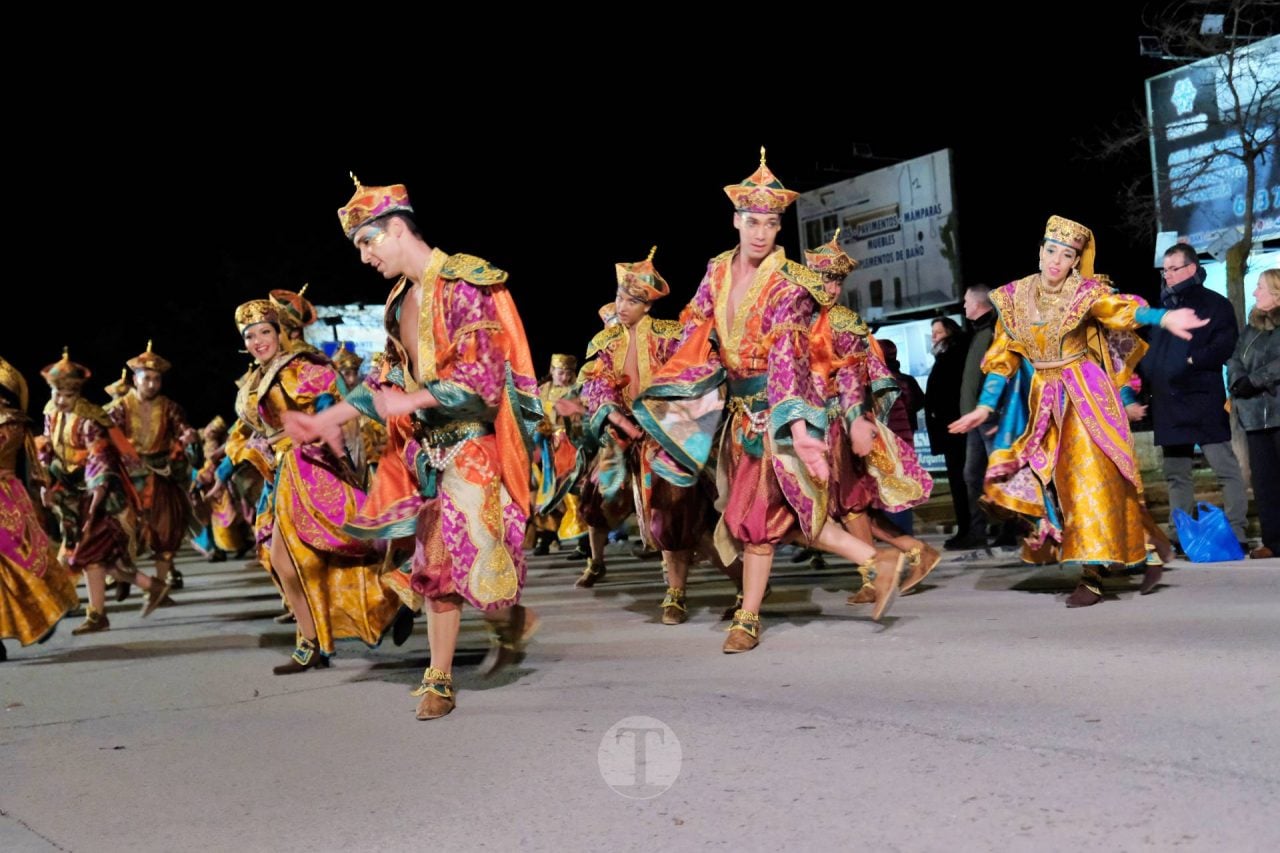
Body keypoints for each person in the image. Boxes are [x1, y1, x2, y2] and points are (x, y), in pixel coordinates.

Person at [285, 176, 543, 720]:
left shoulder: (464, 284)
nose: (363, 257)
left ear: (397, 228)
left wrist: (408, 402)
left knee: (474, 561)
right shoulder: (398, 301)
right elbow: (381, 383)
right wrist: (325, 419)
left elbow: (481, 379)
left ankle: (505, 623)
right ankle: (441, 678)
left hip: (473, 447)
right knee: (436, 566)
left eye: (367, 242)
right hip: (428, 454)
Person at [634, 149, 905, 654]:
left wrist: (799, 429)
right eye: (753, 221)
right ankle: (875, 559)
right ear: (736, 220)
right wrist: (671, 391)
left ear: (780, 228)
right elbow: (695, 327)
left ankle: (748, 617)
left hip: (776, 414)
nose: (761, 232)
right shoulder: (715, 271)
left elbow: (788, 358)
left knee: (756, 520)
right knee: (765, 518)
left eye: (771, 223)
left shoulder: (791, 284)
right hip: (735, 415)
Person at [950, 215, 1207, 607]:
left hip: (1085, 393)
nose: (1056, 260)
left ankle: (1093, 577)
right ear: (1039, 252)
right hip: (1043, 400)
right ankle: (1144, 548)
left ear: (1075, 261)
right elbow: (1002, 357)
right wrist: (986, 405)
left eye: (1067, 254)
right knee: (1049, 484)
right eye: (1051, 250)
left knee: (1086, 480)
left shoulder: (1083, 293)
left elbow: (1116, 310)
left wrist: (1162, 316)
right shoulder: (1014, 298)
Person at [223, 299, 402, 674]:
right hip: (280, 473)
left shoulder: (296, 368)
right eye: (250, 335)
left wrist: (323, 427)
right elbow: (251, 429)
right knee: (285, 564)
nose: (258, 340)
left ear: (279, 334)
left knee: (346, 544)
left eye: (265, 332)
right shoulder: (257, 377)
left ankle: (398, 599)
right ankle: (312, 641)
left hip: (306, 470)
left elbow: (338, 396)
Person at [561, 248, 735, 624]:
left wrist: (675, 419)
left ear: (647, 306)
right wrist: (618, 420)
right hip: (625, 437)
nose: (623, 305)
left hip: (668, 436)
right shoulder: (606, 343)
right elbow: (593, 384)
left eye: (633, 300)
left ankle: (678, 594)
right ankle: (597, 559)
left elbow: (700, 364)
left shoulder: (670, 336)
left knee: (675, 516)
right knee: (596, 496)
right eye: (622, 297)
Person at [803, 233, 937, 603]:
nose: (829, 286)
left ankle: (875, 572)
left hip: (841, 424)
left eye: (836, 279)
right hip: (809, 425)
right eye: (824, 278)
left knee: (850, 503)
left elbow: (879, 377)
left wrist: (860, 420)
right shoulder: (797, 319)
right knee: (839, 505)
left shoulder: (846, 322)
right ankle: (908, 552)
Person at [36, 349, 172, 632]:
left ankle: (94, 613)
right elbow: (47, 448)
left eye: (67, 396)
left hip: (102, 497)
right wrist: (46, 485)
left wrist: (94, 502)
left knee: (89, 556)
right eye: (56, 394)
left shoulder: (89, 420)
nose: (61, 400)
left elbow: (101, 460)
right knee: (96, 559)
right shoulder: (51, 412)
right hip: (73, 493)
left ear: (77, 394)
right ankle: (148, 587)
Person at [1144, 243, 1248, 548]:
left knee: (1224, 468)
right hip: (1169, 403)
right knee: (1176, 474)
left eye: (1174, 268)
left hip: (1203, 398)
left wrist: (1190, 361)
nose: (1168, 275)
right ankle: (1180, 535)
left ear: (1191, 268)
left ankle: (1237, 532)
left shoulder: (1215, 304)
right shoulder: (1164, 309)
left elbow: (1224, 345)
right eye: (1165, 270)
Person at [0, 357, 79, 661]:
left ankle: (40, 616)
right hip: (14, 497)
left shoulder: (8, 423)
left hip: (5, 499)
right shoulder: (18, 422)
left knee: (12, 567)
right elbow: (35, 467)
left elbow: (32, 465)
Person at [106, 341, 196, 590]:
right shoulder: (119, 408)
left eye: (156, 379)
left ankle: (158, 585)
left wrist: (188, 435)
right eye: (147, 379)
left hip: (160, 474)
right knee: (121, 527)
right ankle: (122, 573)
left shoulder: (170, 407)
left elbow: (182, 428)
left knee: (165, 530)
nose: (152, 384)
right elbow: (107, 438)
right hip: (127, 477)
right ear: (135, 380)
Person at [1227, 269, 1280, 559]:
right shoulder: (1251, 329)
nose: (1255, 292)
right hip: (1254, 418)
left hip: (1277, 412)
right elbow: (1235, 358)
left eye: (1260, 287)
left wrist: (1255, 380)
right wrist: (1237, 381)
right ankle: (1274, 540)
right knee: (1264, 483)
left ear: (1276, 291)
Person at [530, 354, 587, 556]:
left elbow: (584, 418)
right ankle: (546, 538)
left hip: (568, 445)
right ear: (552, 371)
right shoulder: (541, 391)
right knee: (546, 494)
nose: (563, 376)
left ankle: (583, 542)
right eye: (560, 372)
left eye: (568, 373)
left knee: (570, 490)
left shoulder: (578, 391)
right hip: (545, 448)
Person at [924, 316, 973, 547]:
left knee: (962, 479)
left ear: (950, 333)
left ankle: (969, 527)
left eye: (938, 332)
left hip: (956, 427)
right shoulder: (946, 355)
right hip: (950, 427)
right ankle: (967, 526)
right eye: (933, 332)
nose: (934, 336)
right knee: (958, 479)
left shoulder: (953, 355)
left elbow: (949, 391)